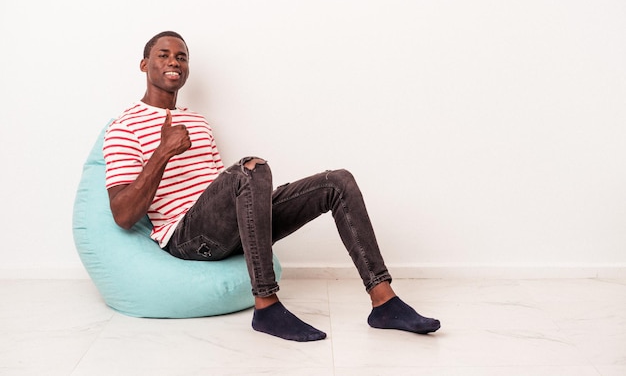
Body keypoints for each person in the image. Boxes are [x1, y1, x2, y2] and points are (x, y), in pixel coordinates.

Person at [103, 31, 441, 342]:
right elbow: (122, 215)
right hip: (186, 237)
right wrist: (162, 152)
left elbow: (217, 186)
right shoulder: (124, 126)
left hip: (224, 227)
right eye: (164, 55)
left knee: (337, 181)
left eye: (182, 56)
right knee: (251, 168)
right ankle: (266, 305)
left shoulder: (198, 122)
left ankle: (384, 302)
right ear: (145, 64)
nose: (174, 61)